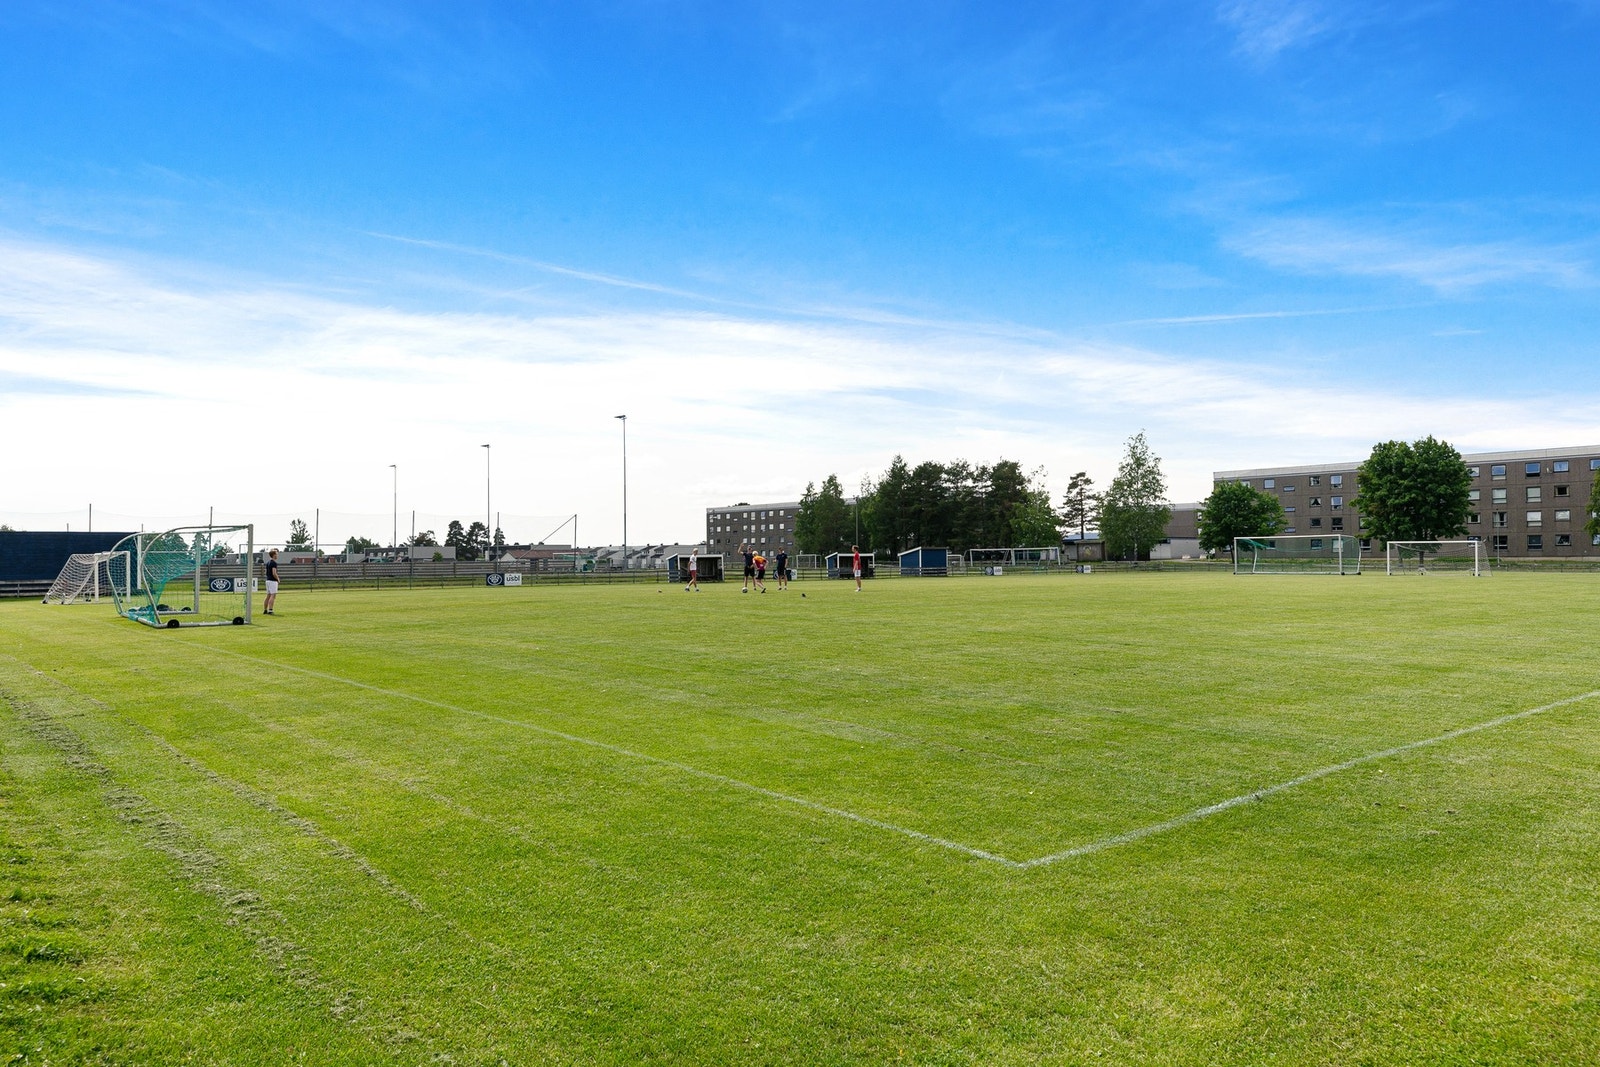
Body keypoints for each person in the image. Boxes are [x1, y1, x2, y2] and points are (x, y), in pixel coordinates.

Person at [263, 548, 280, 615]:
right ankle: (270, 610)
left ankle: (265, 610)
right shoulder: (273, 563)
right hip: (272, 581)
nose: (277, 556)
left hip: (268, 580)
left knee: (268, 596)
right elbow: (274, 573)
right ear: (273, 555)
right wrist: (278, 578)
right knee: (273, 596)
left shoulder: (268, 563)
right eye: (276, 554)